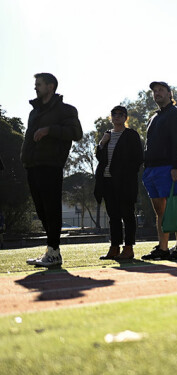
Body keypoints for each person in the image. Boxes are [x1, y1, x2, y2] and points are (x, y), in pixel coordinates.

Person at [22, 73, 83, 267]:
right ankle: (51, 250)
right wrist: (25, 158)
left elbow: (77, 133)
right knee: (41, 211)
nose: (35, 88)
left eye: (38, 84)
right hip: (32, 166)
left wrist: (49, 130)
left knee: (51, 209)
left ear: (51, 86)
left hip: (51, 165)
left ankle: (54, 252)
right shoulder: (35, 111)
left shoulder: (66, 110)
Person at [140, 81, 177, 261]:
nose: (157, 93)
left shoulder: (176, 115)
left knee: (175, 208)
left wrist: (176, 166)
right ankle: (163, 248)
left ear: (170, 93)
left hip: (169, 168)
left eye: (161, 90)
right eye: (154, 91)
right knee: (160, 211)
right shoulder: (154, 117)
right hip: (152, 169)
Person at [93, 105, 143, 261]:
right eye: (114, 114)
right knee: (113, 216)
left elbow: (138, 158)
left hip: (125, 183)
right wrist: (101, 143)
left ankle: (128, 248)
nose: (117, 116)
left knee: (127, 215)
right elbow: (100, 157)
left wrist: (126, 174)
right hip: (107, 181)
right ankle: (114, 247)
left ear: (125, 118)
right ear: (111, 117)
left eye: (121, 114)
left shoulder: (131, 135)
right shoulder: (107, 135)